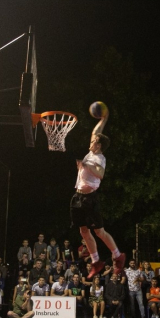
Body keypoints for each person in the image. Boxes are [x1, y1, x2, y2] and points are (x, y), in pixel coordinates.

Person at [69, 111, 125, 279]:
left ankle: (117, 255)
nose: (91, 141)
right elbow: (96, 132)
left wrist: (86, 166)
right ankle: (96, 261)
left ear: (99, 146)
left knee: (99, 232)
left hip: (89, 199)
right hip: (77, 197)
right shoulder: (92, 152)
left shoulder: (99, 159)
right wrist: (103, 119)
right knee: (83, 232)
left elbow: (100, 174)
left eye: (94, 141)